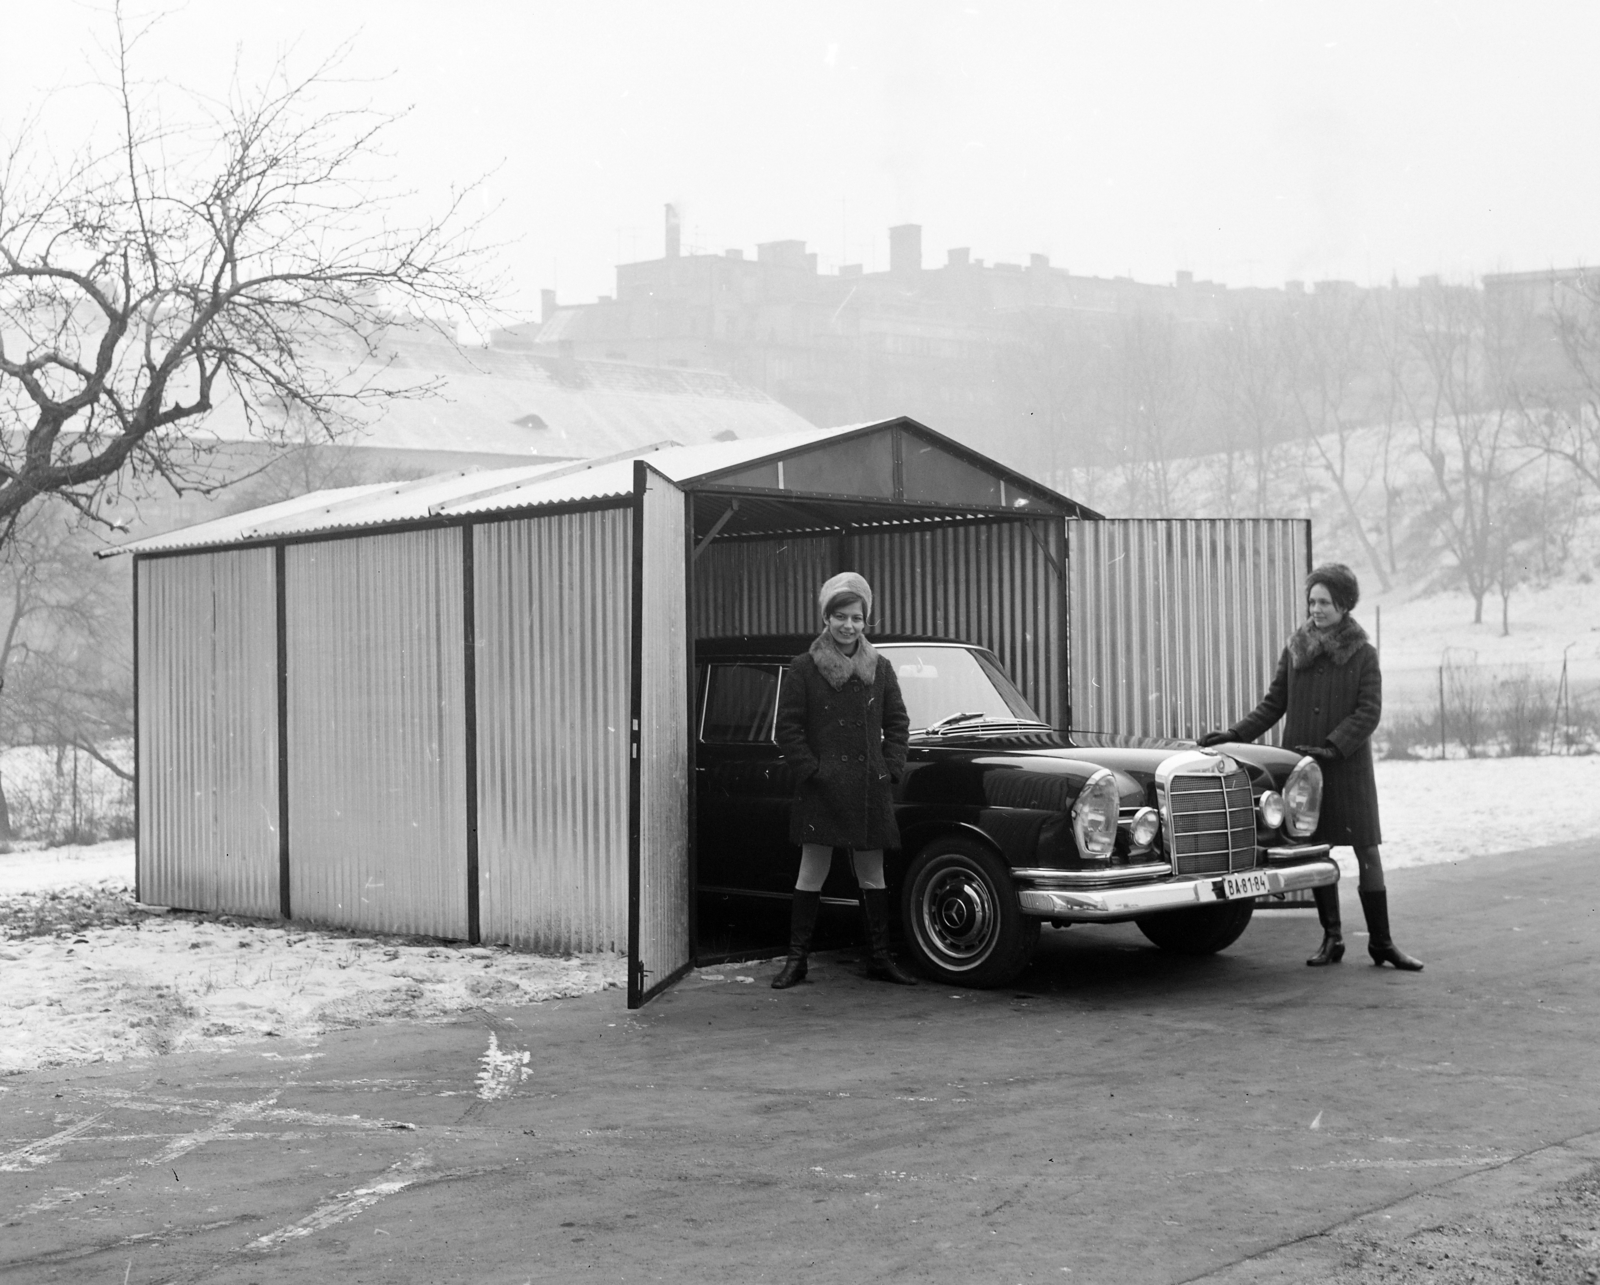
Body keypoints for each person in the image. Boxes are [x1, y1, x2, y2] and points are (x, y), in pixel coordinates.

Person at [1199, 563, 1423, 971]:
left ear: (1344, 605)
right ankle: (1332, 938)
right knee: (1318, 850)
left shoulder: (1364, 654)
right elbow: (1273, 705)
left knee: (1366, 850)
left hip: (1347, 769)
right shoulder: (1295, 649)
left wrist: (1333, 748)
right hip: (1303, 773)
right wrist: (1233, 735)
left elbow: (1368, 712)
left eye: (1324, 602)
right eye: (1312, 602)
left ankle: (1382, 943)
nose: (1315, 609)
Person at [770, 571, 917, 989]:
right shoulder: (804, 667)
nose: (848, 626)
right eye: (840, 616)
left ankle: (879, 959)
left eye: (856, 618)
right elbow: (789, 729)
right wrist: (813, 772)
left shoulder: (881, 668)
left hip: (870, 788)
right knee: (811, 872)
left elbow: (898, 723)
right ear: (826, 618)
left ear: (865, 621)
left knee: (873, 874)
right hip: (822, 789)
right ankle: (796, 962)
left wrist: (889, 768)